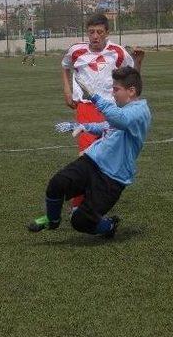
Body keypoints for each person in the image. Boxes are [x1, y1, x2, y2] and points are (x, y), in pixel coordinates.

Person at [30, 13, 145, 231]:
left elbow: (133, 80)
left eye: (99, 32)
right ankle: (77, 205)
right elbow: (64, 66)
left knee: (105, 157)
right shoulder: (76, 51)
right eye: (91, 32)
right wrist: (66, 89)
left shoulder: (118, 53)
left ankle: (91, 203)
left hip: (111, 110)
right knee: (85, 155)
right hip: (86, 107)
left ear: (107, 33)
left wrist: (138, 61)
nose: (95, 36)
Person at [28, 67, 151, 238]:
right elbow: (107, 126)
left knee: (81, 222)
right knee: (57, 183)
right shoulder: (125, 110)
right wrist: (83, 126)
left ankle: (109, 225)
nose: (113, 94)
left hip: (112, 178)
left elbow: (119, 120)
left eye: (116, 90)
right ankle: (52, 220)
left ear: (131, 91)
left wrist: (94, 97)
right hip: (92, 162)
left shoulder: (140, 112)